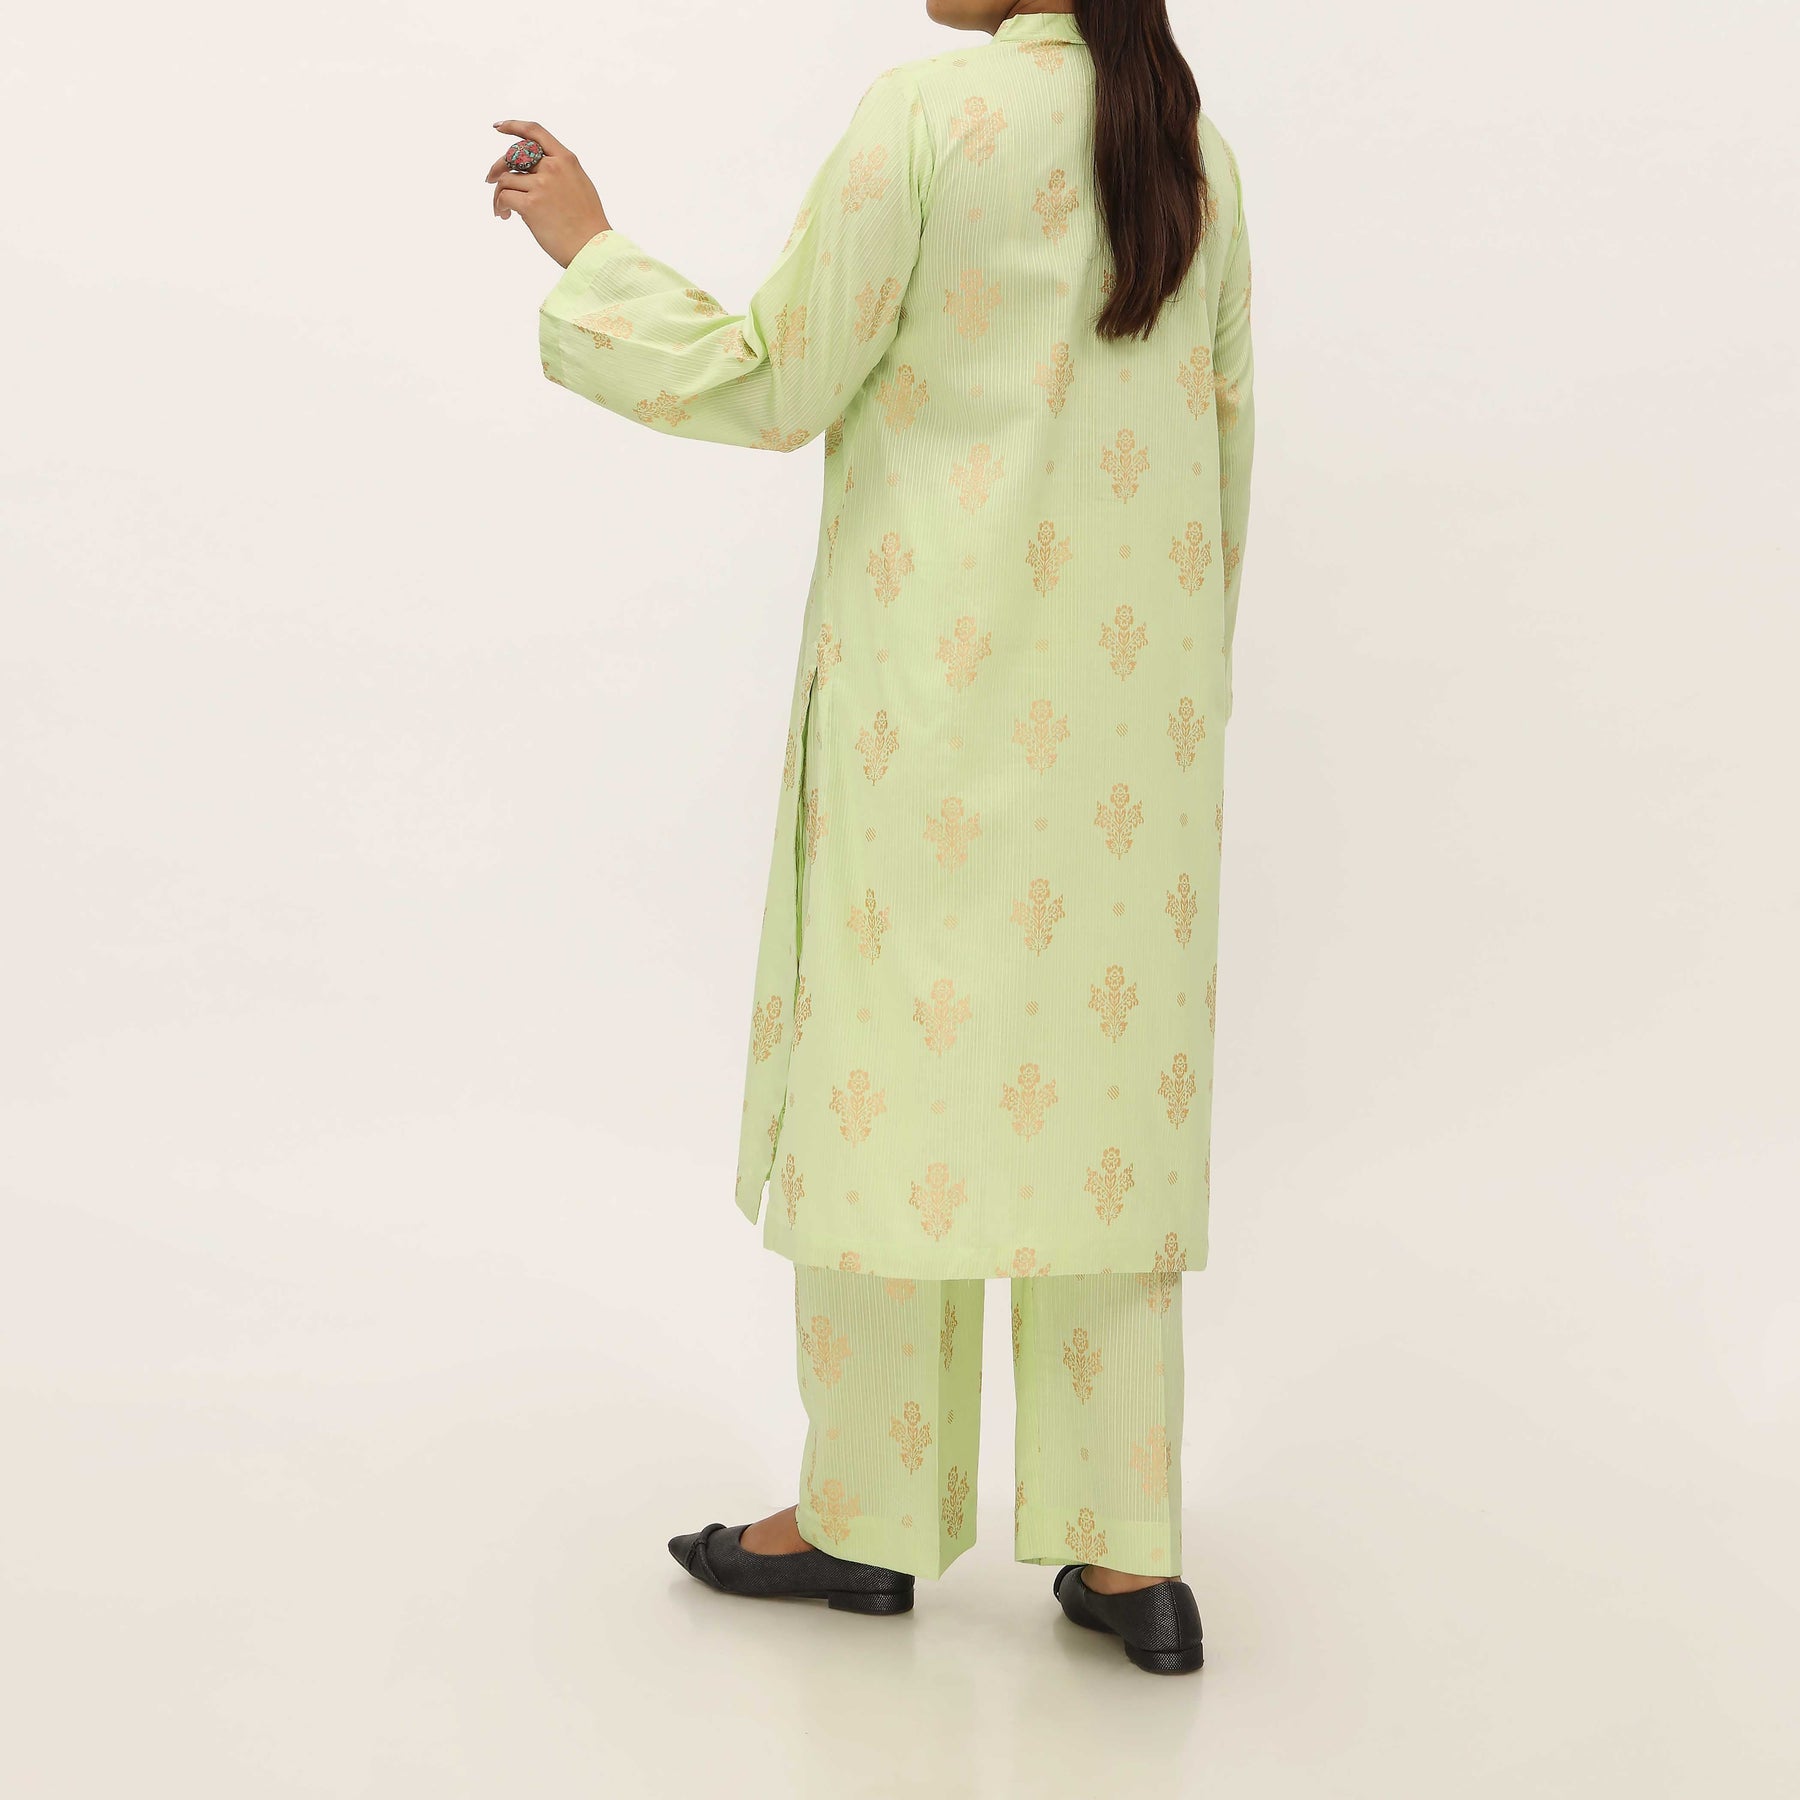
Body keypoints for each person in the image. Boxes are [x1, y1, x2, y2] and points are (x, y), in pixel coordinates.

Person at [487, 0, 1253, 1675]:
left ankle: (868, 1514)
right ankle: (1130, 1549)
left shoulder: (924, 119)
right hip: (1134, 739)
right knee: (1102, 1113)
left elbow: (778, 379)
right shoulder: (1186, 146)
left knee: (890, 1089)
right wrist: (1172, 699)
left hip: (937, 704)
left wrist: (591, 248)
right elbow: (1220, 458)